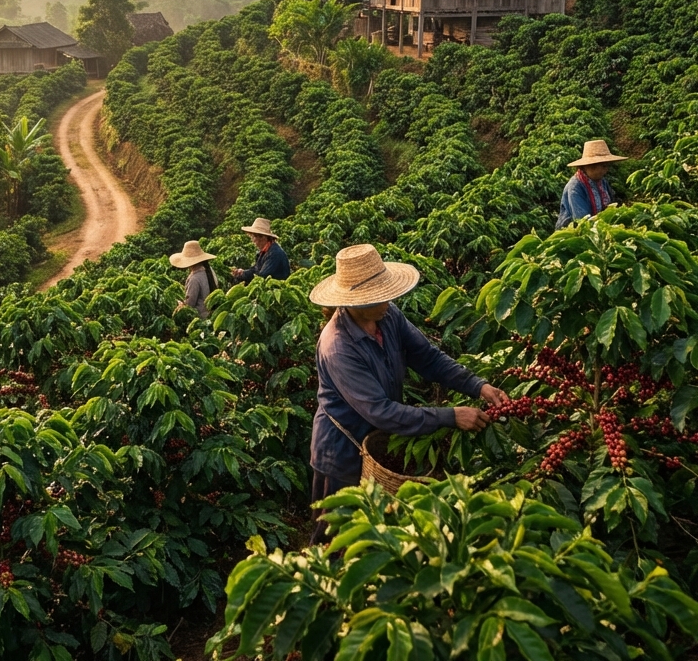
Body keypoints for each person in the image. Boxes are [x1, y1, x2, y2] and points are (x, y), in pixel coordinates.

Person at [308, 244, 507, 539]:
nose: (388, 300)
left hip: (380, 441)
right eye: (379, 296)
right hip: (342, 453)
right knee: (335, 535)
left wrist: (477, 385)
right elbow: (381, 412)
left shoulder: (387, 316)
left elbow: (427, 357)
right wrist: (450, 416)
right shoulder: (337, 346)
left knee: (378, 532)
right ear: (355, 302)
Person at [556, 139, 626, 229]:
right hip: (575, 234)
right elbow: (583, 220)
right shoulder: (575, 187)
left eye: (607, 166)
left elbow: (610, 206)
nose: (606, 170)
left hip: (597, 228)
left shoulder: (601, 182)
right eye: (604, 166)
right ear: (590, 166)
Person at [169, 240, 219, 319]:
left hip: (200, 318)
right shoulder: (209, 270)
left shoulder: (194, 279)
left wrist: (180, 304)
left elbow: (190, 306)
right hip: (212, 315)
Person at [232, 218, 290, 284]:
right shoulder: (264, 252)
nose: (252, 240)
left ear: (263, 237)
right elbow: (255, 269)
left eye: (253, 237)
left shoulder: (275, 253)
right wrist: (242, 273)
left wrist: (243, 276)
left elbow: (262, 276)